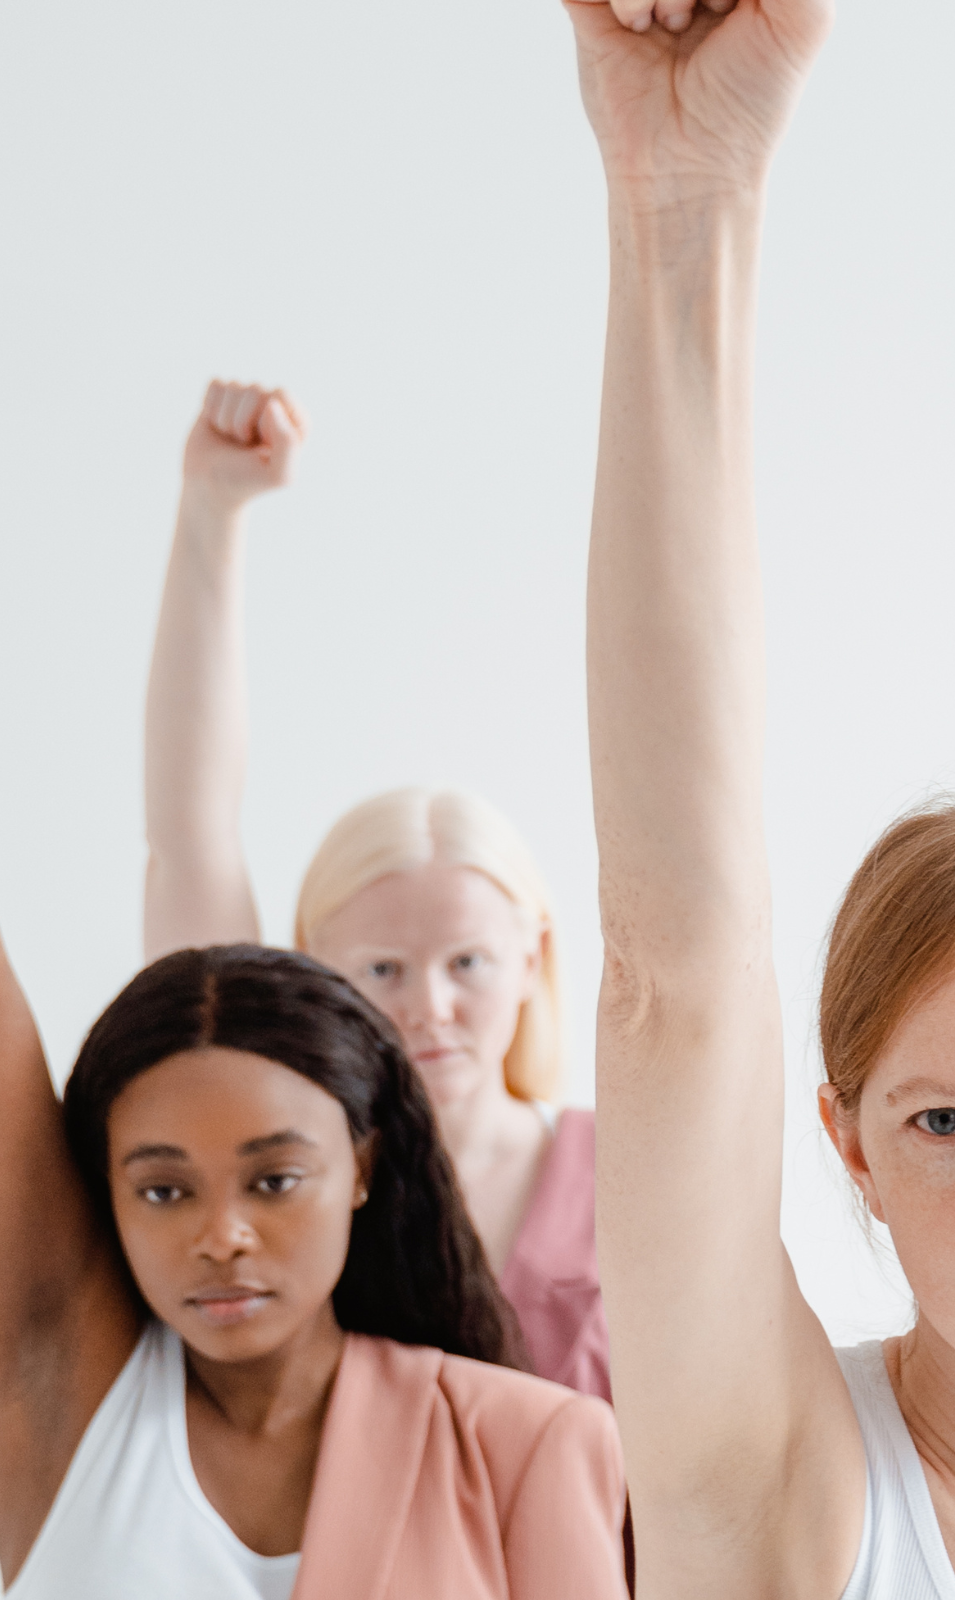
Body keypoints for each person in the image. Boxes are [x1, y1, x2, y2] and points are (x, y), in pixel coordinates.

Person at [566, 1, 955, 1597]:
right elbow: (678, 973)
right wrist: (683, 211)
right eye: (946, 1126)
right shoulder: (788, 1491)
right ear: (849, 1148)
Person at [144, 380, 609, 1402]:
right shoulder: (290, 1170)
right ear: (319, 971)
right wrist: (212, 515)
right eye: (383, 967)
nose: (427, 1006)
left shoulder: (624, 1173)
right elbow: (191, 840)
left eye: (469, 963)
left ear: (533, 957)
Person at [0, 937, 627, 1597]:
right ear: (110, 1191)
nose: (223, 1238)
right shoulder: (66, 1406)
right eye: (164, 1190)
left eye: (274, 1180)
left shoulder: (527, 1442)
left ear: (361, 1167)